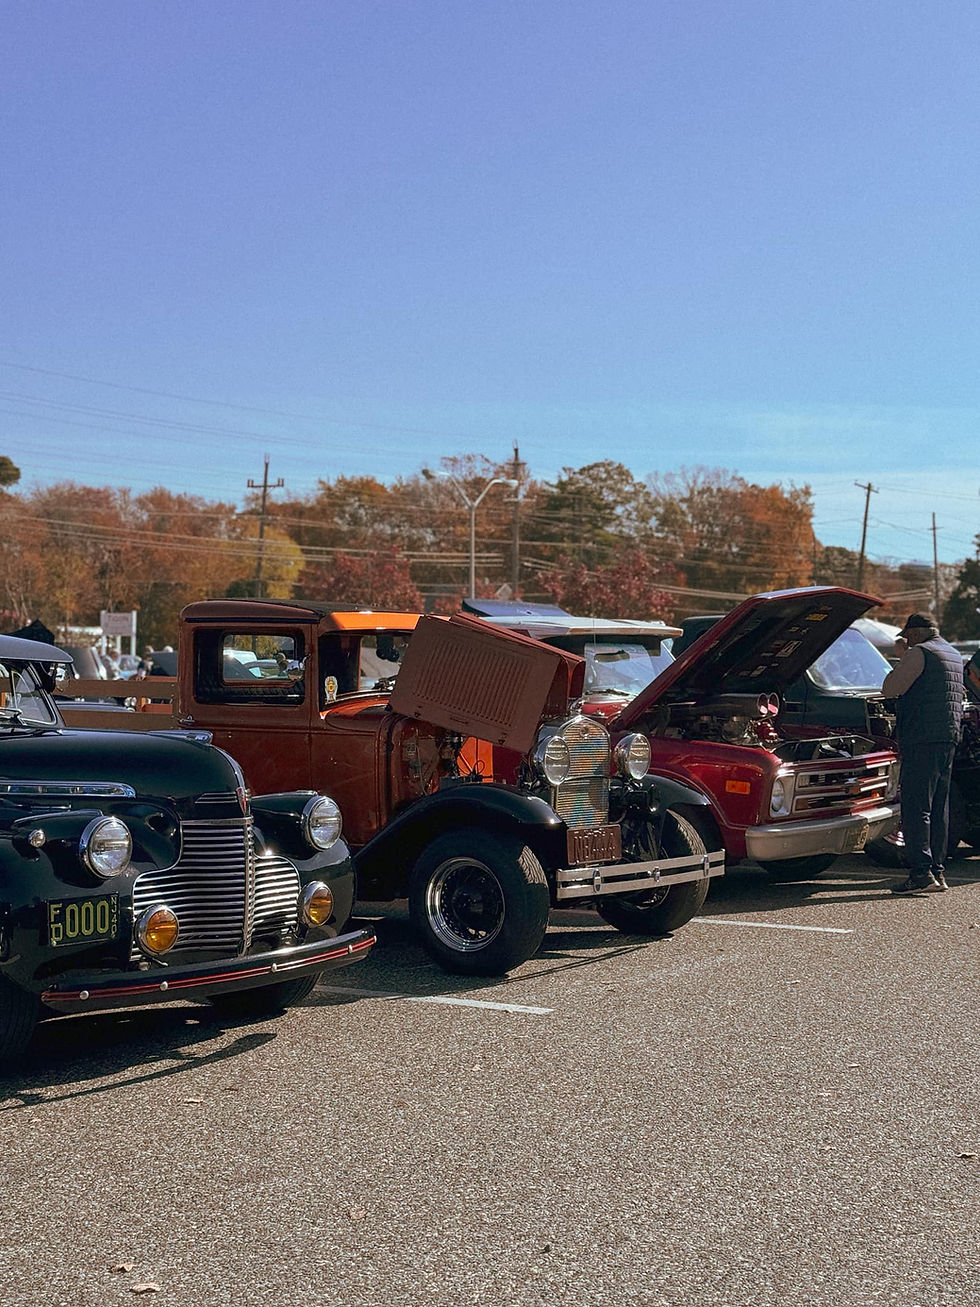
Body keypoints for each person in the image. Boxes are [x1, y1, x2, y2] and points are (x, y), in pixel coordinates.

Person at [882, 612, 964, 894]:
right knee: (940, 805)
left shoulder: (920, 653)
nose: (905, 640)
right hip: (949, 736)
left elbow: (890, 688)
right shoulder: (952, 654)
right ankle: (938, 871)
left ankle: (920, 874)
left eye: (907, 636)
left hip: (922, 736)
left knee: (917, 806)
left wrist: (901, 658)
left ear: (916, 634)